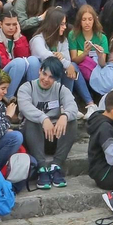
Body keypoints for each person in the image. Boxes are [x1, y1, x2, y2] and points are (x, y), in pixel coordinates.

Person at [17, 56, 80, 191]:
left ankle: (56, 166)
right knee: (31, 121)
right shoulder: (27, 87)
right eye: (44, 74)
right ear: (39, 71)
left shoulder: (61, 89)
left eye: (51, 77)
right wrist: (43, 118)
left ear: (56, 78)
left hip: (53, 137)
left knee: (72, 121)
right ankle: (41, 167)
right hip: (33, 138)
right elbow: (25, 107)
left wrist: (64, 115)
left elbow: (73, 107)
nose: (46, 79)